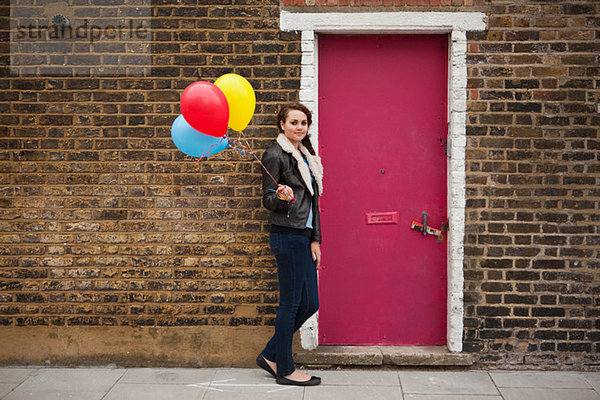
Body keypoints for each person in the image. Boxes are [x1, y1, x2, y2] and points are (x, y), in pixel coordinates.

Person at [256, 103, 323, 386]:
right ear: (281, 124)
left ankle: (271, 354)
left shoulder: (307, 157)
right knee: (291, 304)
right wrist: (281, 196)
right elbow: (268, 201)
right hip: (286, 235)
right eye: (294, 122)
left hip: (302, 237)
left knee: (310, 303)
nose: (299, 127)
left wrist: (315, 238)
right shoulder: (274, 154)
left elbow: (314, 203)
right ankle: (284, 368)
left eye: (304, 122)